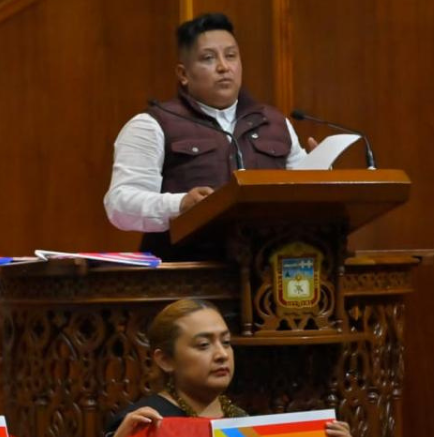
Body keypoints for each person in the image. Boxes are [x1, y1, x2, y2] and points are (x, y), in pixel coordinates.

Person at [103, 13, 314, 257]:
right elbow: (119, 205)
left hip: (269, 274)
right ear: (183, 74)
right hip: (185, 277)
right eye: (208, 58)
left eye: (231, 56)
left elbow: (301, 199)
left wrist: (320, 171)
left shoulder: (276, 123)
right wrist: (180, 204)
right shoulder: (152, 125)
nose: (224, 67)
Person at [106, 298, 357, 437]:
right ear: (165, 360)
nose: (221, 354)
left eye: (226, 342)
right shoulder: (142, 422)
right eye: (203, 345)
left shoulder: (242, 421)